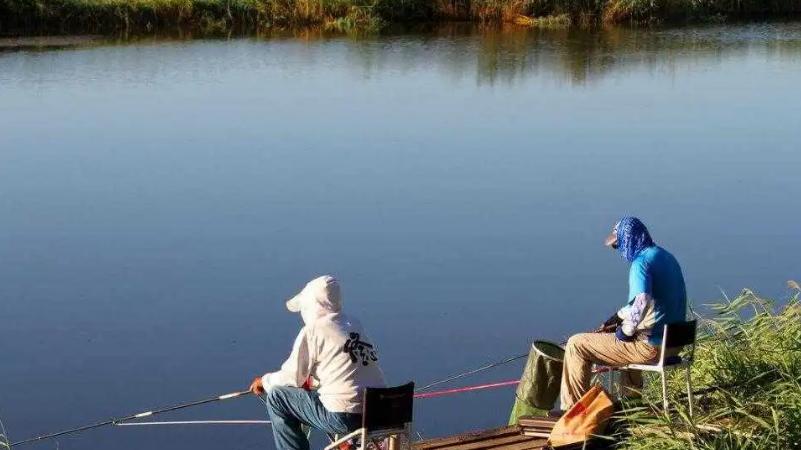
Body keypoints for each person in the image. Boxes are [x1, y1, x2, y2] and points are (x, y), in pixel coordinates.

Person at [559, 217, 687, 410]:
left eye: (618, 244)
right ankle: (632, 406)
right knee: (632, 338)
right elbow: (648, 302)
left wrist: (624, 332)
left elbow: (641, 301)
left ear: (629, 240)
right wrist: (616, 319)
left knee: (576, 344)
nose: (618, 250)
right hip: (674, 344)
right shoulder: (665, 257)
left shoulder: (640, 264)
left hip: (651, 348)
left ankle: (572, 412)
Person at [249, 275, 386, 450]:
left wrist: (264, 381)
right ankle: (351, 443)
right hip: (381, 413)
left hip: (346, 416)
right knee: (323, 393)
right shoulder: (354, 324)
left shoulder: (314, 330)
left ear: (312, 306)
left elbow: (292, 377)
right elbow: (348, 370)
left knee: (277, 397)